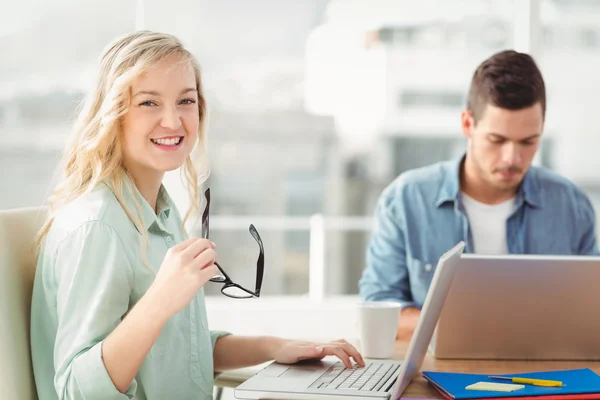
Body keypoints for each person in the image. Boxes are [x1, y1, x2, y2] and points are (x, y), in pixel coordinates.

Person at [30, 31, 364, 400]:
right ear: (113, 113)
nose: (173, 121)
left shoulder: (160, 211)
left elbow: (174, 350)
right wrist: (161, 299)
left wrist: (277, 347)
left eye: (185, 101)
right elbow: (78, 390)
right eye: (148, 103)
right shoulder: (98, 228)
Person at [359, 49, 599, 341]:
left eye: (528, 141)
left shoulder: (571, 205)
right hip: (436, 377)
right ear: (467, 124)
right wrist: (483, 327)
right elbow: (379, 311)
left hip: (548, 375)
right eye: (497, 140)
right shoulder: (406, 199)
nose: (512, 158)